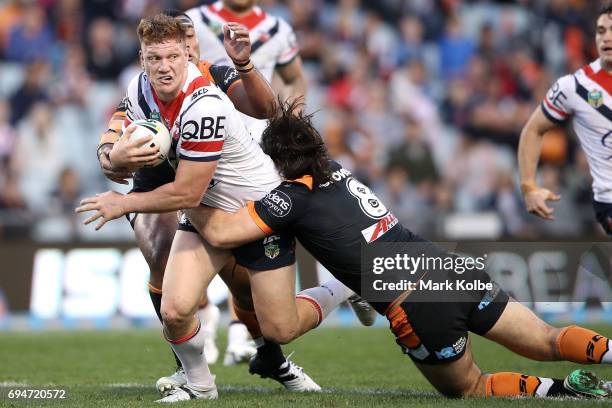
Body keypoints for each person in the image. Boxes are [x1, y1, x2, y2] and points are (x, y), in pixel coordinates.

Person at [181, 99, 612, 399]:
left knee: (470, 387)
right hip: (445, 266)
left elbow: (221, 234)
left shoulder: (288, 199)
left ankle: (565, 390)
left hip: (414, 302)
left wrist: (186, 193)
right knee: (549, 339)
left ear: (274, 163)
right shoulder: (334, 168)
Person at [82, 14, 321, 402]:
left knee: (260, 305)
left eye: (179, 50)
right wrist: (112, 155)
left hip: (234, 192)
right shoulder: (141, 88)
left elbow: (264, 109)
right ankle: (194, 376)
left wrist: (121, 201)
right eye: (155, 57)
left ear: (190, 50)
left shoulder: (209, 90)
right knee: (165, 268)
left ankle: (302, 327)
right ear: (143, 58)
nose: (167, 64)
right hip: (177, 183)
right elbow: (114, 146)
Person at [518, 5, 612, 235]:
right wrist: (529, 186)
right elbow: (533, 130)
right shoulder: (575, 87)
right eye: (601, 31)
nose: (607, 37)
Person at [187, 0, 307, 137]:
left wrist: (290, 123)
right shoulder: (193, 20)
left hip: (259, 138)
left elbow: (294, 80)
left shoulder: (278, 29)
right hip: (203, 129)